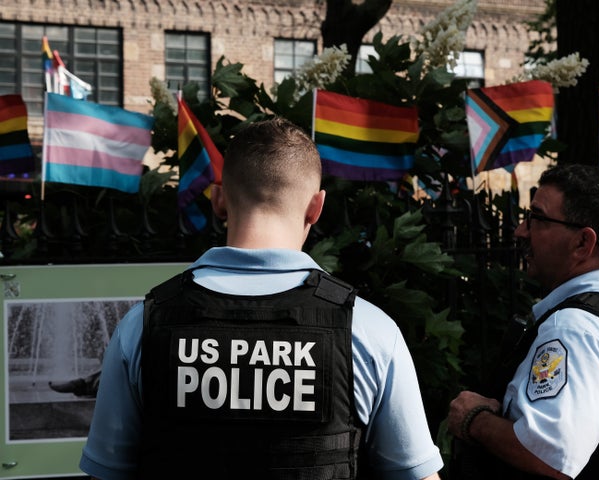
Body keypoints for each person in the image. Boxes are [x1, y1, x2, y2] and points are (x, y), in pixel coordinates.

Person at [79, 117, 443, 480]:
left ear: (218, 200)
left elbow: (108, 473)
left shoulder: (142, 326)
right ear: (316, 207)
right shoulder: (369, 331)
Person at [447, 164, 599, 480]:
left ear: (582, 244)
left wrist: (473, 419)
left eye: (537, 218)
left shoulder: (574, 329)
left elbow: (551, 452)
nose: (521, 230)